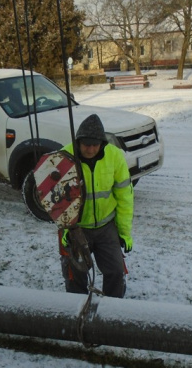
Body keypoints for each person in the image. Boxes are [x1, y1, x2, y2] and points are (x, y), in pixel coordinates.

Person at [59, 114, 133, 298]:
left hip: (106, 228)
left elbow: (124, 196)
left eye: (95, 145)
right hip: (77, 228)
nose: (91, 149)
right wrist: (66, 229)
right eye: (86, 145)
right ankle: (77, 311)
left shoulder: (115, 156)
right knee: (76, 274)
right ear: (78, 142)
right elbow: (56, 201)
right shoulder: (63, 158)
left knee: (115, 272)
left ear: (102, 143)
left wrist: (124, 233)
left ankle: (112, 310)